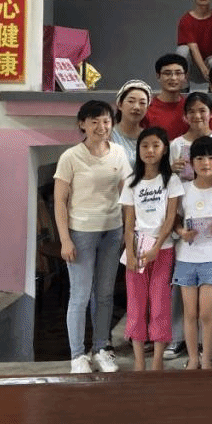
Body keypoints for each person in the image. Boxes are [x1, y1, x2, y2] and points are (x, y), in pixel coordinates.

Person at [53, 100, 132, 374]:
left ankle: (100, 349)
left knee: (105, 294)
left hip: (112, 231)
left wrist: (128, 230)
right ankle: (77, 355)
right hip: (81, 233)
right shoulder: (70, 157)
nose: (101, 126)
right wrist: (65, 239)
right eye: (94, 121)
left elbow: (126, 194)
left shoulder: (119, 152)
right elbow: (60, 201)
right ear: (82, 124)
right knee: (80, 295)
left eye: (106, 121)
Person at [120, 127, 183, 371]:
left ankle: (157, 360)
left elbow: (170, 218)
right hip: (137, 249)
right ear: (138, 149)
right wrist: (131, 253)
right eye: (145, 145)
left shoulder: (171, 180)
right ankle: (139, 362)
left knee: (159, 304)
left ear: (164, 149)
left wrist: (157, 246)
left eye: (156, 145)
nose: (150, 150)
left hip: (162, 249)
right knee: (136, 305)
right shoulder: (131, 182)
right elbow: (128, 223)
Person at [172, 135, 212, 369]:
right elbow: (175, 219)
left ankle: (207, 359)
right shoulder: (184, 189)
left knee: (206, 314)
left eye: (210, 158)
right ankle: (192, 359)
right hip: (186, 258)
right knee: (190, 314)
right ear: (191, 162)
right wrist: (182, 232)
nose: (205, 163)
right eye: (199, 158)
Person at [170, 92, 212, 190]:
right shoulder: (176, 144)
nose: (197, 116)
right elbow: (168, 180)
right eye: (191, 111)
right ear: (185, 115)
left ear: (211, 113)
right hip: (184, 197)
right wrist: (172, 170)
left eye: (202, 111)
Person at [175, 0, 212, 84]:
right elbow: (193, 47)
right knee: (182, 50)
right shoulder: (186, 20)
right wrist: (204, 69)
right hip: (193, 68)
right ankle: (183, 87)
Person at [143, 54, 189, 140]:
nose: (173, 78)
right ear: (158, 76)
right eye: (167, 73)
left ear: (185, 77)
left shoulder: (191, 107)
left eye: (178, 73)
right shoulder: (147, 108)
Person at [111, 79, 151, 167]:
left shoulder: (150, 137)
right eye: (131, 101)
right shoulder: (108, 136)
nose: (136, 107)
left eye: (142, 103)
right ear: (120, 105)